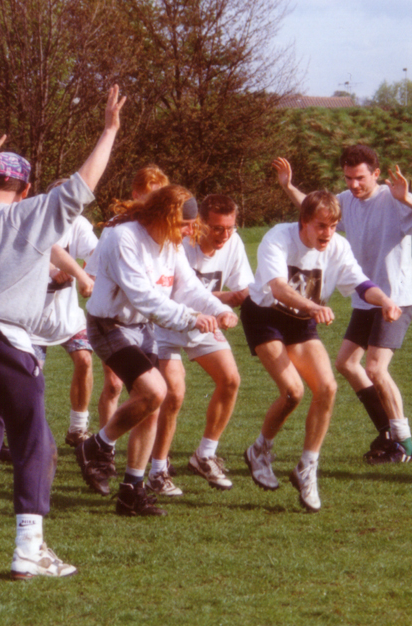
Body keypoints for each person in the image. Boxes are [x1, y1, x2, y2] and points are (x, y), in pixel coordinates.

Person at [0, 84, 124, 579]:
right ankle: (28, 550)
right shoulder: (30, 213)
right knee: (35, 442)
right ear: (27, 186)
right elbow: (83, 183)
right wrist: (107, 131)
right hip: (5, 341)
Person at [76, 185, 237, 517]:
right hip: (110, 325)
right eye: (184, 224)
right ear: (164, 216)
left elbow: (188, 286)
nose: (190, 232)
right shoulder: (124, 238)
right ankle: (96, 446)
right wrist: (192, 319)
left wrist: (216, 310)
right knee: (155, 390)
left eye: (191, 225)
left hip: (141, 327)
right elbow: (144, 297)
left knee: (151, 403)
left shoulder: (171, 242)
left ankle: (131, 491)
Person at [273, 147, 412, 465]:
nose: (353, 185)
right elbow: (315, 212)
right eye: (348, 178)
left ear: (375, 174)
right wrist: (288, 186)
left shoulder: (394, 198)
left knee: (376, 368)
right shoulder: (346, 201)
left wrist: (407, 198)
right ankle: (387, 430)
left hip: (396, 298)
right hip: (365, 297)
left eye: (359, 178)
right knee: (347, 364)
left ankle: (404, 444)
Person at [241, 190, 401, 512]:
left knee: (327, 388)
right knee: (293, 392)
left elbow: (360, 283)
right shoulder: (278, 238)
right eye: (321, 226)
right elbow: (278, 288)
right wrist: (313, 306)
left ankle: (307, 468)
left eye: (334, 225)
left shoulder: (338, 247)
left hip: (302, 323)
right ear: (304, 222)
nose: (328, 233)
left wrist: (384, 300)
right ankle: (260, 450)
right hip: (265, 317)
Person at [147, 194, 253, 496]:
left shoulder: (233, 243)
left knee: (230, 379)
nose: (224, 235)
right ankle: (157, 469)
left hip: (204, 322)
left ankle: (204, 454)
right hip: (167, 323)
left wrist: (246, 298)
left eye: (230, 228)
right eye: (217, 228)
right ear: (199, 224)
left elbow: (243, 286)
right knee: (174, 394)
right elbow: (174, 295)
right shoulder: (179, 242)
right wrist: (225, 301)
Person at [88, 165, 171, 436]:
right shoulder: (117, 230)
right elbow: (92, 270)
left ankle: (138, 456)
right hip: (112, 318)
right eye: (148, 197)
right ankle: (104, 445)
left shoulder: (161, 234)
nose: (152, 205)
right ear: (136, 194)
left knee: (150, 393)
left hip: (143, 322)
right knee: (113, 384)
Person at [28, 206, 98, 447]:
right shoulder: (32, 219)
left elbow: (96, 252)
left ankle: (78, 428)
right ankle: (29, 431)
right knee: (31, 379)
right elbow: (32, 251)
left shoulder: (77, 223)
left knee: (85, 360)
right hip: (32, 322)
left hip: (68, 318)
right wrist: (54, 270)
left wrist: (91, 274)